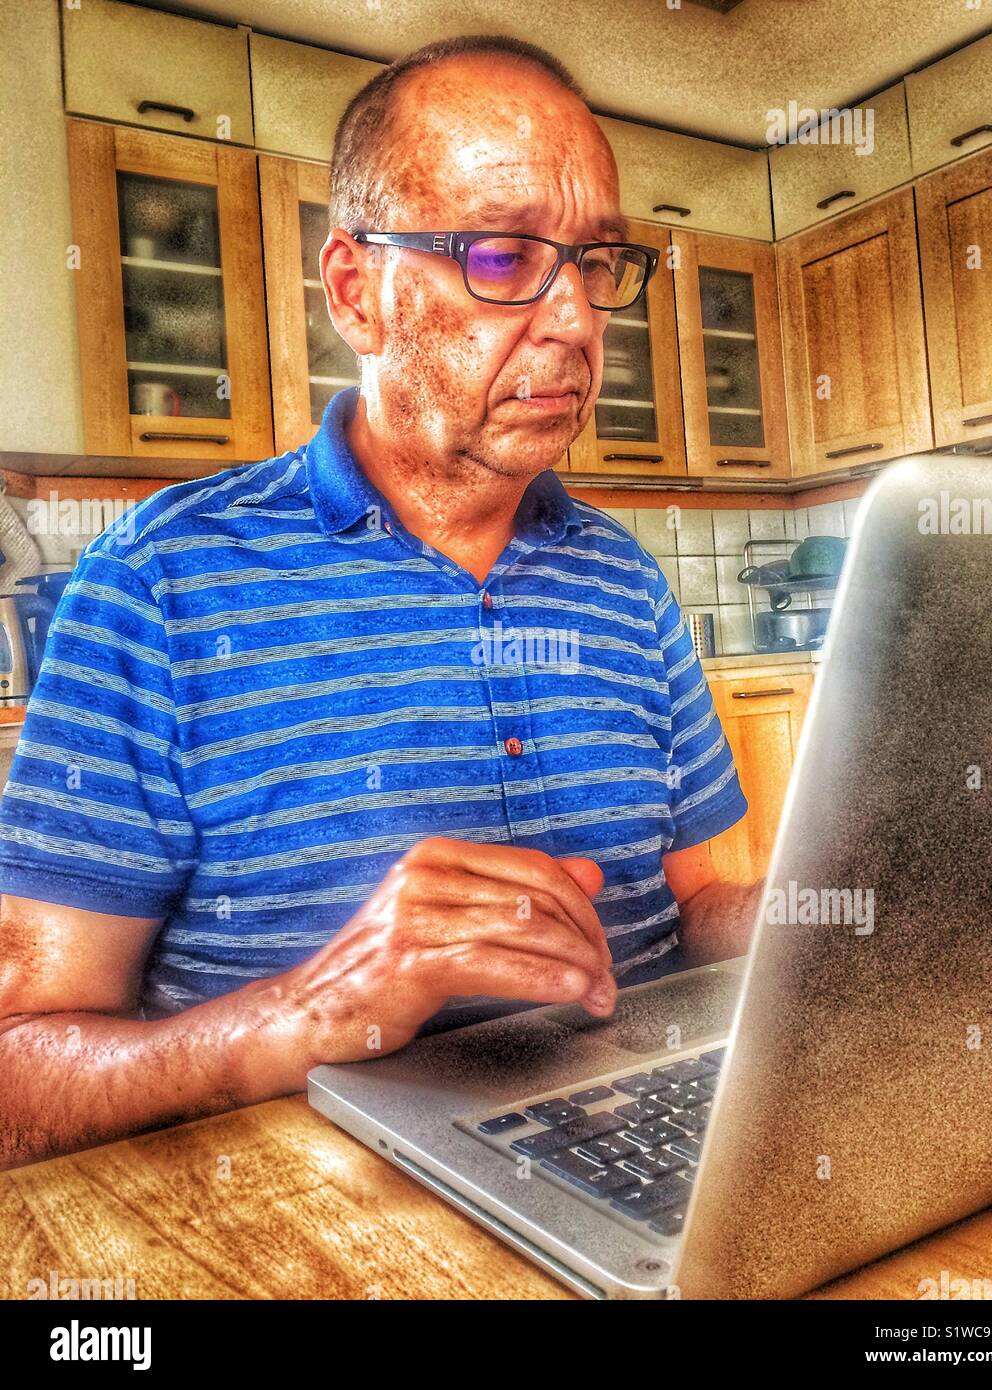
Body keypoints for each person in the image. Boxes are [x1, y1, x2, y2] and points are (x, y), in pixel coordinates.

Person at [0, 35, 760, 1169]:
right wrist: (308, 1012)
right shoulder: (157, 585)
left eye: (595, 262)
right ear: (357, 290)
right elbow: (21, 1083)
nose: (575, 322)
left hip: (651, 1164)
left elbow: (692, 909)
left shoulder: (625, 579)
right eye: (504, 257)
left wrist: (857, 908)